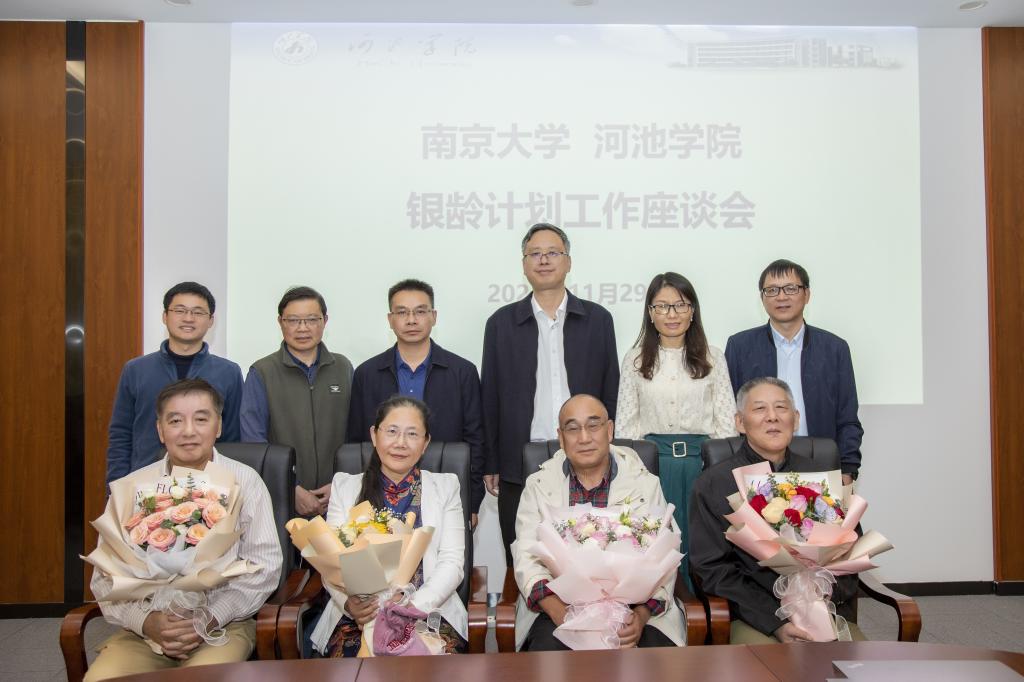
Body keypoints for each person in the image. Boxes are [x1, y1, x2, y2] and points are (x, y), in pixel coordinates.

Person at [86, 379, 282, 680]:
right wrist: (146, 621)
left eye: (201, 419)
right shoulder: (132, 488)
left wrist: (210, 616)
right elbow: (103, 578)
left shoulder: (246, 481)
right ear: (160, 430)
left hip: (222, 626)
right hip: (145, 632)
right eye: (175, 421)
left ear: (218, 426)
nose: (188, 431)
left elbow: (264, 566)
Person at [482, 223, 620, 563]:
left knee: (593, 557)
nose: (544, 260)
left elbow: (610, 389)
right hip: (520, 462)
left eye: (553, 253)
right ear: (524, 264)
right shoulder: (500, 323)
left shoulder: (598, 320)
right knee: (524, 558)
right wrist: (492, 461)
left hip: (587, 458)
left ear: (568, 262)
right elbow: (490, 398)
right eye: (535, 254)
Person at [688, 377, 862, 644]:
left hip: (824, 606)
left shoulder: (823, 477)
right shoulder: (714, 483)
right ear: (739, 422)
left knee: (862, 662)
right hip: (756, 616)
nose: (772, 417)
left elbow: (851, 550)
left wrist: (820, 593)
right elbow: (712, 568)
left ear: (796, 418)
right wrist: (775, 622)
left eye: (781, 408)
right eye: (760, 408)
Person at [512, 394, 683, 651]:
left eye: (593, 425)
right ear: (561, 437)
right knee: (549, 658)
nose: (584, 438)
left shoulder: (644, 483)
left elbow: (664, 556)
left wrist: (641, 616)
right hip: (560, 605)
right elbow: (527, 557)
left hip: (634, 608)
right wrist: (562, 614)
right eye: (573, 428)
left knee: (653, 661)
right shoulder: (539, 485)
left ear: (609, 430)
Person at [310, 396, 468, 656]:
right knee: (352, 667)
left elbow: (452, 563)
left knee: (428, 667)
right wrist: (349, 604)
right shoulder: (345, 487)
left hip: (427, 612)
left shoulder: (445, 487)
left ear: (426, 443)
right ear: (374, 435)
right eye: (392, 431)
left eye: (412, 434)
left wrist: (411, 606)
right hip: (359, 617)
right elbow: (330, 561)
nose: (400, 443)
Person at [615, 272, 737, 577]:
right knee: (655, 542)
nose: (672, 314)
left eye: (680, 305)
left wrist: (718, 472)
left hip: (702, 466)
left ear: (692, 311)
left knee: (702, 543)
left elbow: (726, 425)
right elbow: (626, 429)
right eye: (662, 306)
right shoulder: (634, 360)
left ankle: (703, 605)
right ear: (650, 313)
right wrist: (634, 475)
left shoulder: (713, 357)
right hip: (652, 468)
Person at [348, 279, 484, 526]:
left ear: (434, 316)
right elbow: (356, 443)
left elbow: (475, 439)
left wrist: (472, 502)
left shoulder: (462, 372)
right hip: (379, 499)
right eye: (402, 312)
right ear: (390, 319)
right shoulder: (366, 374)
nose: (411, 320)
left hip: (446, 498)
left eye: (420, 311)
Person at [724, 259, 863, 484]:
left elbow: (847, 418)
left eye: (791, 288)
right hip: (756, 466)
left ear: (806, 294)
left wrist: (847, 470)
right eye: (772, 290)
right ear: (762, 298)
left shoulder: (834, 348)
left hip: (819, 462)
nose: (781, 297)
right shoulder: (740, 346)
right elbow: (733, 413)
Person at [106, 281, 242, 485]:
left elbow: (233, 437)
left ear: (211, 320)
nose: (188, 318)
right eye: (180, 310)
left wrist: (227, 485)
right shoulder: (136, 370)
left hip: (208, 487)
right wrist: (117, 488)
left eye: (198, 312)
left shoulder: (228, 372)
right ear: (165, 316)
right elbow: (121, 435)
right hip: (145, 483)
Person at [240, 286, 353, 516]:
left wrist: (341, 485)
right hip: (280, 498)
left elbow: (355, 435)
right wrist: (290, 489)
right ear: (280, 322)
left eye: (311, 319)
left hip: (338, 499)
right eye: (293, 320)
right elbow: (254, 442)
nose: (303, 328)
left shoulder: (343, 368)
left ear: (325, 321)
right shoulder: (262, 371)